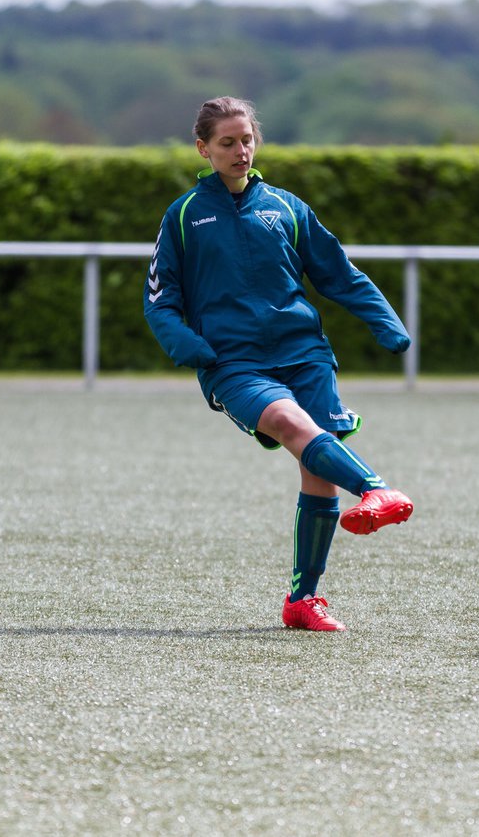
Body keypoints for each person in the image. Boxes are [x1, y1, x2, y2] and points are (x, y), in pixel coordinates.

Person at [144, 96, 414, 633]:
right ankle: (378, 489)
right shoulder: (183, 217)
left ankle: (303, 601)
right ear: (203, 148)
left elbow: (340, 274)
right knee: (292, 424)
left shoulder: (287, 208)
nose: (241, 151)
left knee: (316, 468)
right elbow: (159, 301)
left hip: (304, 352)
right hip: (232, 362)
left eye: (247, 140)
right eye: (227, 142)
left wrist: (385, 321)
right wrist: (191, 347)